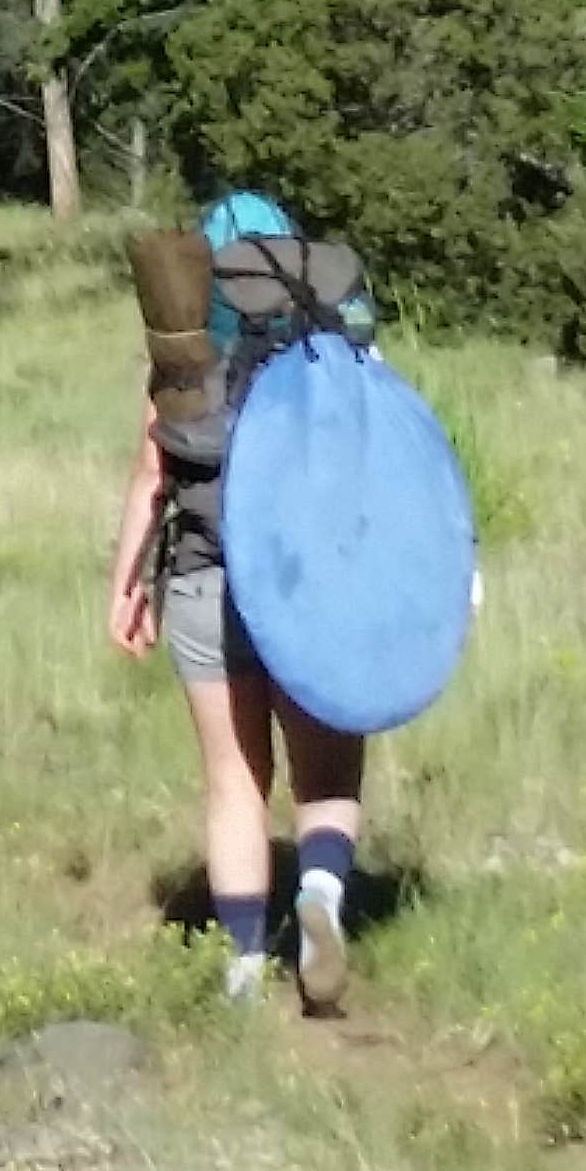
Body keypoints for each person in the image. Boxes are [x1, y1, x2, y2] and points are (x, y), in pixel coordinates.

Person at [108, 185, 362, 1009]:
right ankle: (319, 896)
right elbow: (385, 463)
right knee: (325, 770)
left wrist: (125, 588)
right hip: (310, 579)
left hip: (201, 571)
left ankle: (244, 968)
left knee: (233, 778)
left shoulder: (185, 352)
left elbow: (152, 476)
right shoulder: (333, 336)